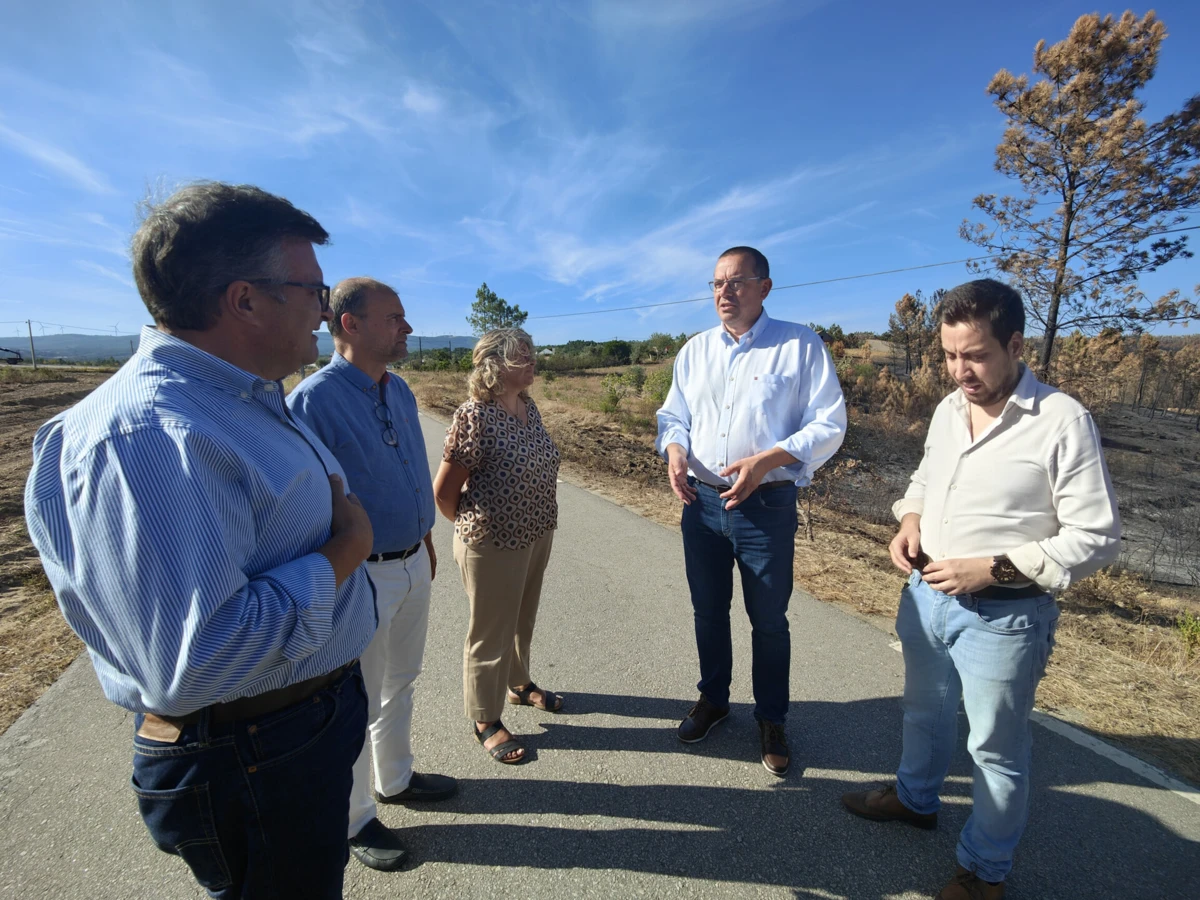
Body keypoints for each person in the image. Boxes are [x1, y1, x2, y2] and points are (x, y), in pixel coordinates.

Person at [23, 182, 377, 899]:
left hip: (291, 729)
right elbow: (199, 662)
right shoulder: (154, 435)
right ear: (245, 300)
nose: (322, 309)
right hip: (255, 751)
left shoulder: (242, 397)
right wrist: (347, 548)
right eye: (312, 289)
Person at [840, 279, 1121, 900]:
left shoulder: (1061, 420)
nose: (959, 370)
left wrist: (993, 569)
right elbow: (924, 479)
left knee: (995, 747)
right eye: (948, 355)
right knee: (923, 712)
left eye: (975, 355)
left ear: (1015, 344)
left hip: (1005, 617)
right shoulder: (947, 410)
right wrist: (910, 520)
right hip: (926, 598)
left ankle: (984, 871)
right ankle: (915, 801)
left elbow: (1097, 536)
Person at [656, 245, 847, 777]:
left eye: (736, 282)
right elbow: (674, 414)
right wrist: (673, 449)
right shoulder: (694, 351)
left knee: (768, 620)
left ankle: (772, 718)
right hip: (702, 503)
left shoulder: (800, 345)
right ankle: (714, 700)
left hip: (765, 505)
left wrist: (768, 460)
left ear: (764, 287)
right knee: (708, 611)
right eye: (717, 283)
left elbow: (829, 423)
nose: (724, 292)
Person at [288, 277, 456, 873]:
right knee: (356, 697)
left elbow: (410, 471)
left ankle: (397, 778)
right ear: (349, 324)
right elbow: (309, 503)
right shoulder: (313, 401)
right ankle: (356, 818)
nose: (406, 327)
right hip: (361, 575)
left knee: (402, 679)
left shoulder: (402, 389)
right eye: (394, 317)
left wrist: (425, 540)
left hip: (412, 561)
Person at [432, 328, 562, 765]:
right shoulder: (474, 415)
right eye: (522, 356)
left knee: (523, 619)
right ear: (494, 365)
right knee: (490, 632)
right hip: (492, 543)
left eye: (531, 352)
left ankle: (519, 684)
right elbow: (444, 494)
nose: (532, 361)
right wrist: (479, 527)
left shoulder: (528, 406)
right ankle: (485, 718)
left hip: (536, 532)